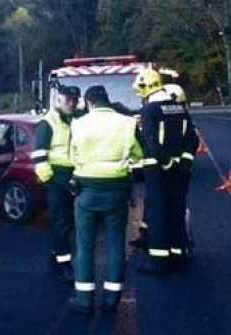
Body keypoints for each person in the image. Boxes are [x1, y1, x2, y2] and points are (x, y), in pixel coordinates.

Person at [68, 85, 144, 313]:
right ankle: (111, 300)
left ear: (89, 103)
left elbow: (73, 156)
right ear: (108, 102)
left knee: (85, 247)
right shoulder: (127, 123)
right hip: (117, 192)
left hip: (86, 192)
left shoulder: (78, 124)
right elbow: (139, 155)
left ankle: (84, 300)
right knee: (115, 246)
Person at [133, 69, 199, 275]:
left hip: (158, 172)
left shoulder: (149, 111)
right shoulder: (179, 108)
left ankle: (158, 261)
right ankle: (178, 255)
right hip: (181, 172)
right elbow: (193, 139)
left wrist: (167, 163)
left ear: (147, 87)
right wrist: (184, 162)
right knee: (177, 211)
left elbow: (151, 143)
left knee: (158, 213)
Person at [33, 85, 81, 280]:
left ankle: (57, 253)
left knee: (68, 221)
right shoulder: (48, 123)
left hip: (74, 174)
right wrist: (52, 181)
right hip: (56, 177)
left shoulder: (77, 120)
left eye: (75, 100)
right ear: (59, 100)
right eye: (68, 100)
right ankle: (64, 265)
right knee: (61, 221)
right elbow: (39, 156)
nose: (71, 103)